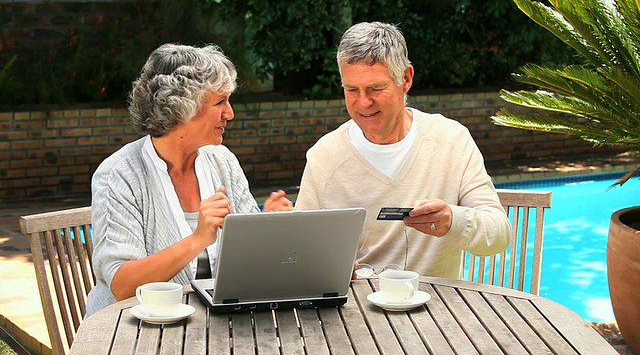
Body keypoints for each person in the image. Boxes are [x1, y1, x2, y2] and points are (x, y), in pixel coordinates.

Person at [86, 43, 294, 316]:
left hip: (211, 327)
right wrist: (198, 239)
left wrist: (266, 226)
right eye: (220, 102)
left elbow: (246, 261)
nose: (230, 113)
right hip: (131, 332)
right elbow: (123, 286)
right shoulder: (119, 175)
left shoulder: (222, 160)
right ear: (180, 107)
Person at [294, 22, 510, 279]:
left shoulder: (451, 140)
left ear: (406, 79)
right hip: (355, 311)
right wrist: (323, 263)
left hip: (441, 311)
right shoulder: (325, 156)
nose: (363, 102)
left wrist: (452, 220)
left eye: (375, 88)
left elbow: (499, 235)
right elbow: (300, 250)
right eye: (351, 89)